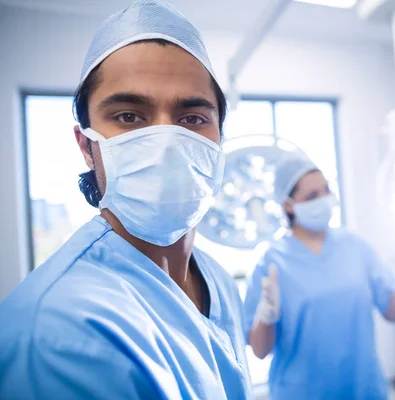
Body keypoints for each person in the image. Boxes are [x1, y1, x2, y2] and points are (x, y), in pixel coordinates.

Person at [0, 1, 252, 399]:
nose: (167, 144)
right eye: (130, 116)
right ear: (87, 145)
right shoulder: (54, 333)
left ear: (219, 139)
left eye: (192, 118)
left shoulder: (217, 281)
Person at [243, 152, 395, 399]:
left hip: (363, 388)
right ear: (288, 204)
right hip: (301, 392)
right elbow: (260, 350)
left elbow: (392, 310)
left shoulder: (355, 245)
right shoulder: (271, 261)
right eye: (312, 196)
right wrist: (267, 313)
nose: (324, 200)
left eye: (326, 190)